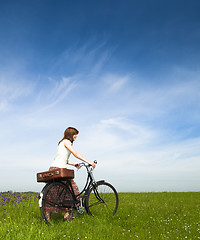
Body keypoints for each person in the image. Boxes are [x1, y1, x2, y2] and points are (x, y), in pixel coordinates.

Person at [45, 127, 95, 221]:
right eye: (75, 134)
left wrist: (74, 164)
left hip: (52, 169)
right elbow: (75, 153)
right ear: (71, 134)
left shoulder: (61, 143)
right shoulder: (67, 142)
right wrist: (89, 162)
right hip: (60, 170)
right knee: (74, 190)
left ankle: (47, 216)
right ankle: (68, 214)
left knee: (53, 192)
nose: (76, 136)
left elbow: (62, 159)